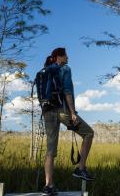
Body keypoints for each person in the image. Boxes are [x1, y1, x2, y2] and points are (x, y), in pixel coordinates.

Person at [42, 47, 95, 196]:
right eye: (66, 56)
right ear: (59, 57)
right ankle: (80, 168)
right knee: (88, 133)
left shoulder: (45, 71)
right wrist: (72, 112)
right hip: (63, 111)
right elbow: (67, 91)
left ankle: (49, 185)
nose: (68, 58)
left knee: (50, 150)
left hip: (47, 113)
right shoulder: (65, 69)